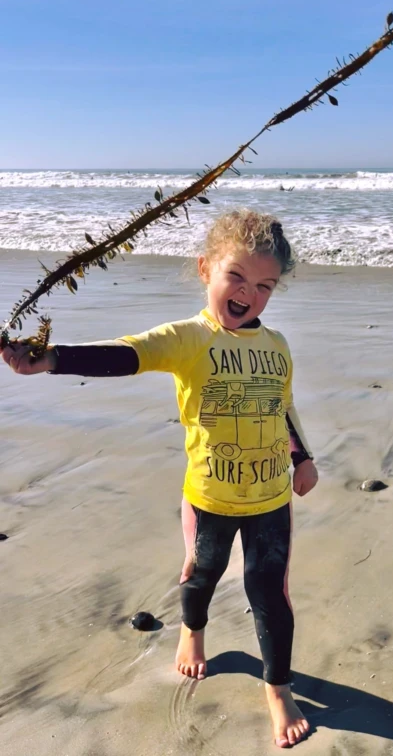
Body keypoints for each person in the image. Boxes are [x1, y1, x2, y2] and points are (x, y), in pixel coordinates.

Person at [1, 208, 318, 748]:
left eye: (264, 286)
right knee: (201, 577)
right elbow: (128, 354)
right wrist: (50, 359)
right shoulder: (190, 338)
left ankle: (278, 689)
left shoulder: (277, 346)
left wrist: (302, 457)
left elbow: (282, 406)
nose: (249, 294)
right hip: (210, 499)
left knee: (271, 594)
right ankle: (193, 632)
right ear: (205, 269)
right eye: (236, 277)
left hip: (269, 501)